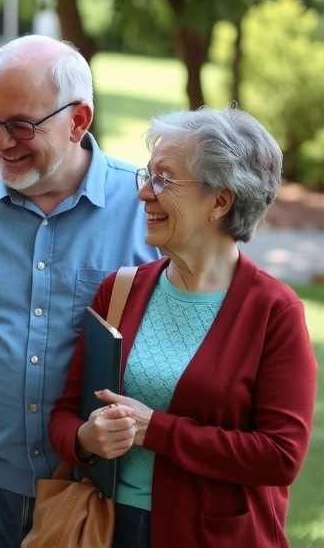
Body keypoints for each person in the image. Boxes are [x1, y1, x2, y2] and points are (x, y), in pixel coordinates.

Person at [0, 35, 159, 547]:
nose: (1, 142)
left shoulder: (145, 210)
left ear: (78, 120)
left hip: (100, 496)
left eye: (20, 125)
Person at [49, 107, 317, 547]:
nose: (144, 195)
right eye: (147, 175)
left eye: (165, 180)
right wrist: (85, 437)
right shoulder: (119, 291)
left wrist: (155, 430)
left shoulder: (274, 311)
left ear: (220, 201)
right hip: (105, 529)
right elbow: (63, 414)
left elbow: (281, 456)